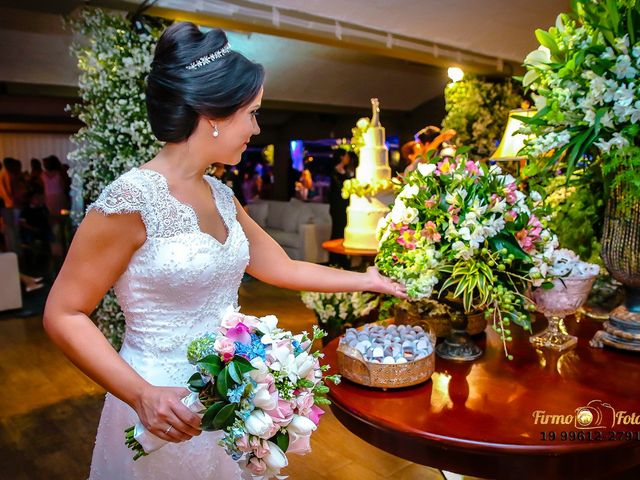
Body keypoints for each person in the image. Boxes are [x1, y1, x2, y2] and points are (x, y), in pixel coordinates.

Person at [43, 22, 406, 480]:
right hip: (163, 405)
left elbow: (281, 265)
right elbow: (64, 313)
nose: (256, 127)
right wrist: (141, 394)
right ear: (213, 114)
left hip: (230, 398)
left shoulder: (220, 194)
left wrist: (370, 280)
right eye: (252, 113)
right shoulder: (130, 201)